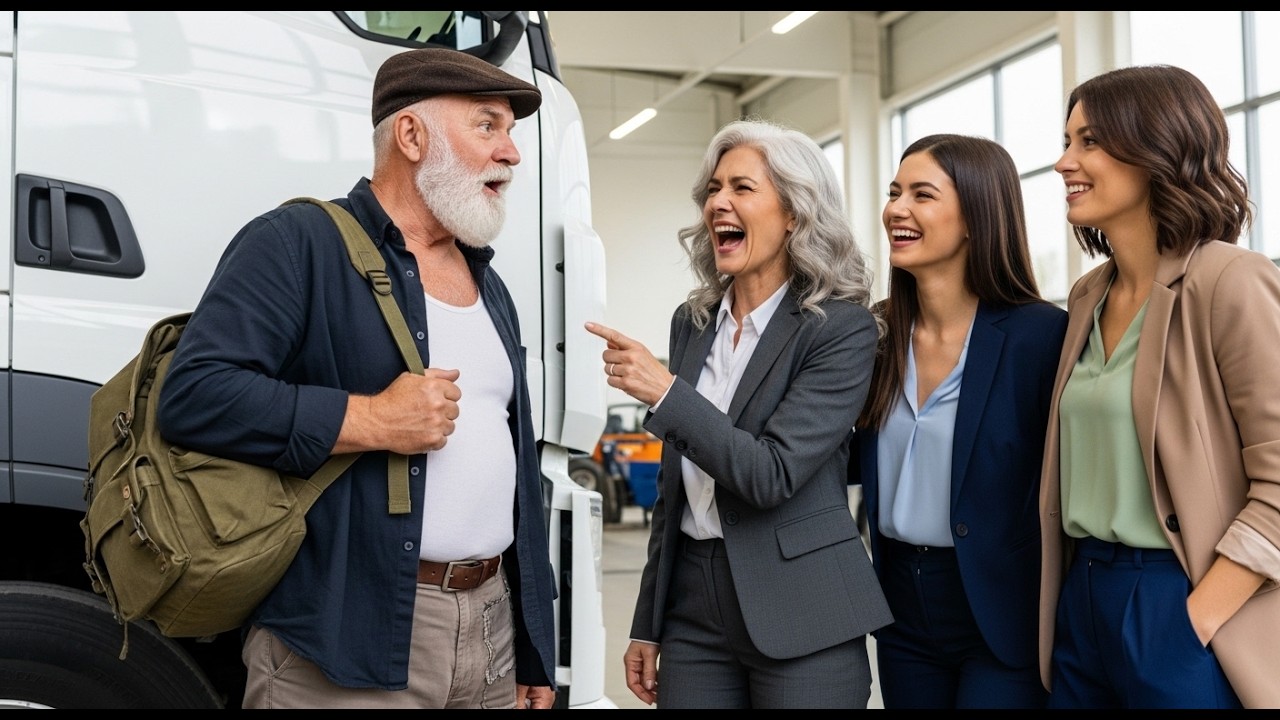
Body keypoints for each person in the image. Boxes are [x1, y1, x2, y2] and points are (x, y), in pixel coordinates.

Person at [156, 47, 557, 709]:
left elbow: (513, 472)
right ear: (411, 135)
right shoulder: (298, 242)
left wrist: (532, 650)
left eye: (511, 132)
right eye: (488, 126)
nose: (511, 152)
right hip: (347, 638)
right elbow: (195, 395)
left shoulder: (492, 286)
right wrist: (371, 419)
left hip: (489, 632)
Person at [585, 118, 893, 709]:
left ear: (795, 214)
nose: (717, 202)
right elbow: (675, 490)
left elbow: (771, 474)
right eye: (713, 188)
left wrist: (666, 393)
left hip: (802, 608)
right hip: (694, 609)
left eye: (742, 188)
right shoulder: (693, 322)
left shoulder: (841, 330)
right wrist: (649, 619)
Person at [1041, 63, 1280, 709]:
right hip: (1082, 594)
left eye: (1089, 141)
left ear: (1158, 148)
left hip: (1178, 595)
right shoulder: (1089, 296)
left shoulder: (1230, 281)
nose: (1064, 162)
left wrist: (1196, 618)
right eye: (1067, 141)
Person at [849, 134, 1067, 708]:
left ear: (976, 215)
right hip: (900, 605)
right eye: (895, 192)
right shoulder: (874, 335)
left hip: (999, 608)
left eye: (922, 195)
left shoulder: (1038, 337)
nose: (896, 208)